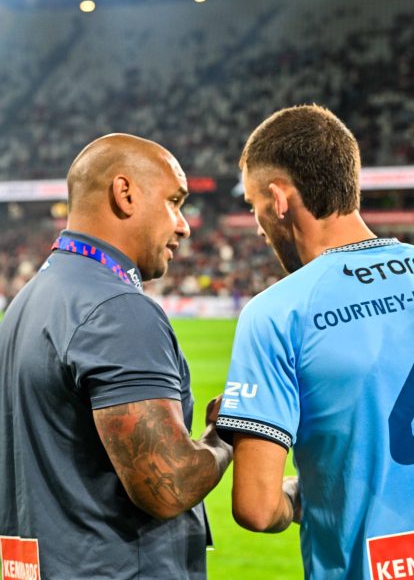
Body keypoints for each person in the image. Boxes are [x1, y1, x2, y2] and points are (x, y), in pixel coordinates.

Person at [0, 133, 232, 580]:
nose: (184, 226)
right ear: (125, 193)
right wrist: (222, 437)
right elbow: (167, 485)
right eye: (174, 202)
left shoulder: (27, 302)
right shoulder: (116, 308)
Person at [216, 105, 414, 579]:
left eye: (254, 207)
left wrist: (292, 493)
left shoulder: (277, 312)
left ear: (278, 198)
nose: (258, 227)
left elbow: (257, 508)